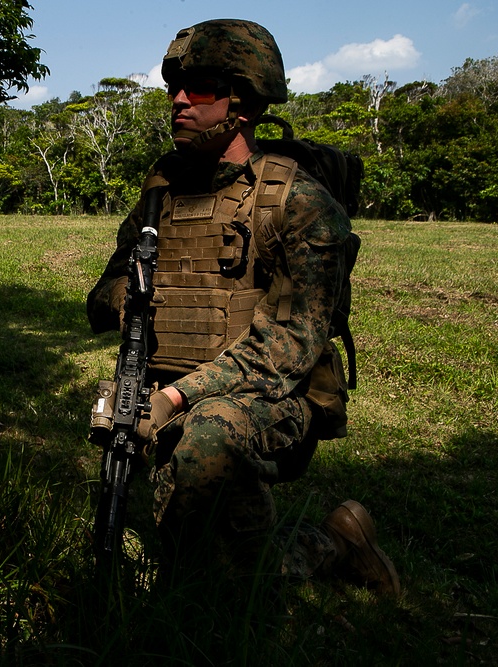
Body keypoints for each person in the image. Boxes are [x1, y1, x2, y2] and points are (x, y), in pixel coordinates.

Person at [86, 18, 399, 595]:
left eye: (201, 87)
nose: (180, 100)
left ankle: (329, 545)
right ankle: (294, 548)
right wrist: (129, 294)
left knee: (209, 446)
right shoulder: (162, 191)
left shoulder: (297, 201)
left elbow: (290, 347)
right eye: (175, 86)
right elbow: (102, 297)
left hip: (267, 402)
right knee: (198, 567)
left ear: (245, 101)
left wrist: (175, 398)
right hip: (167, 395)